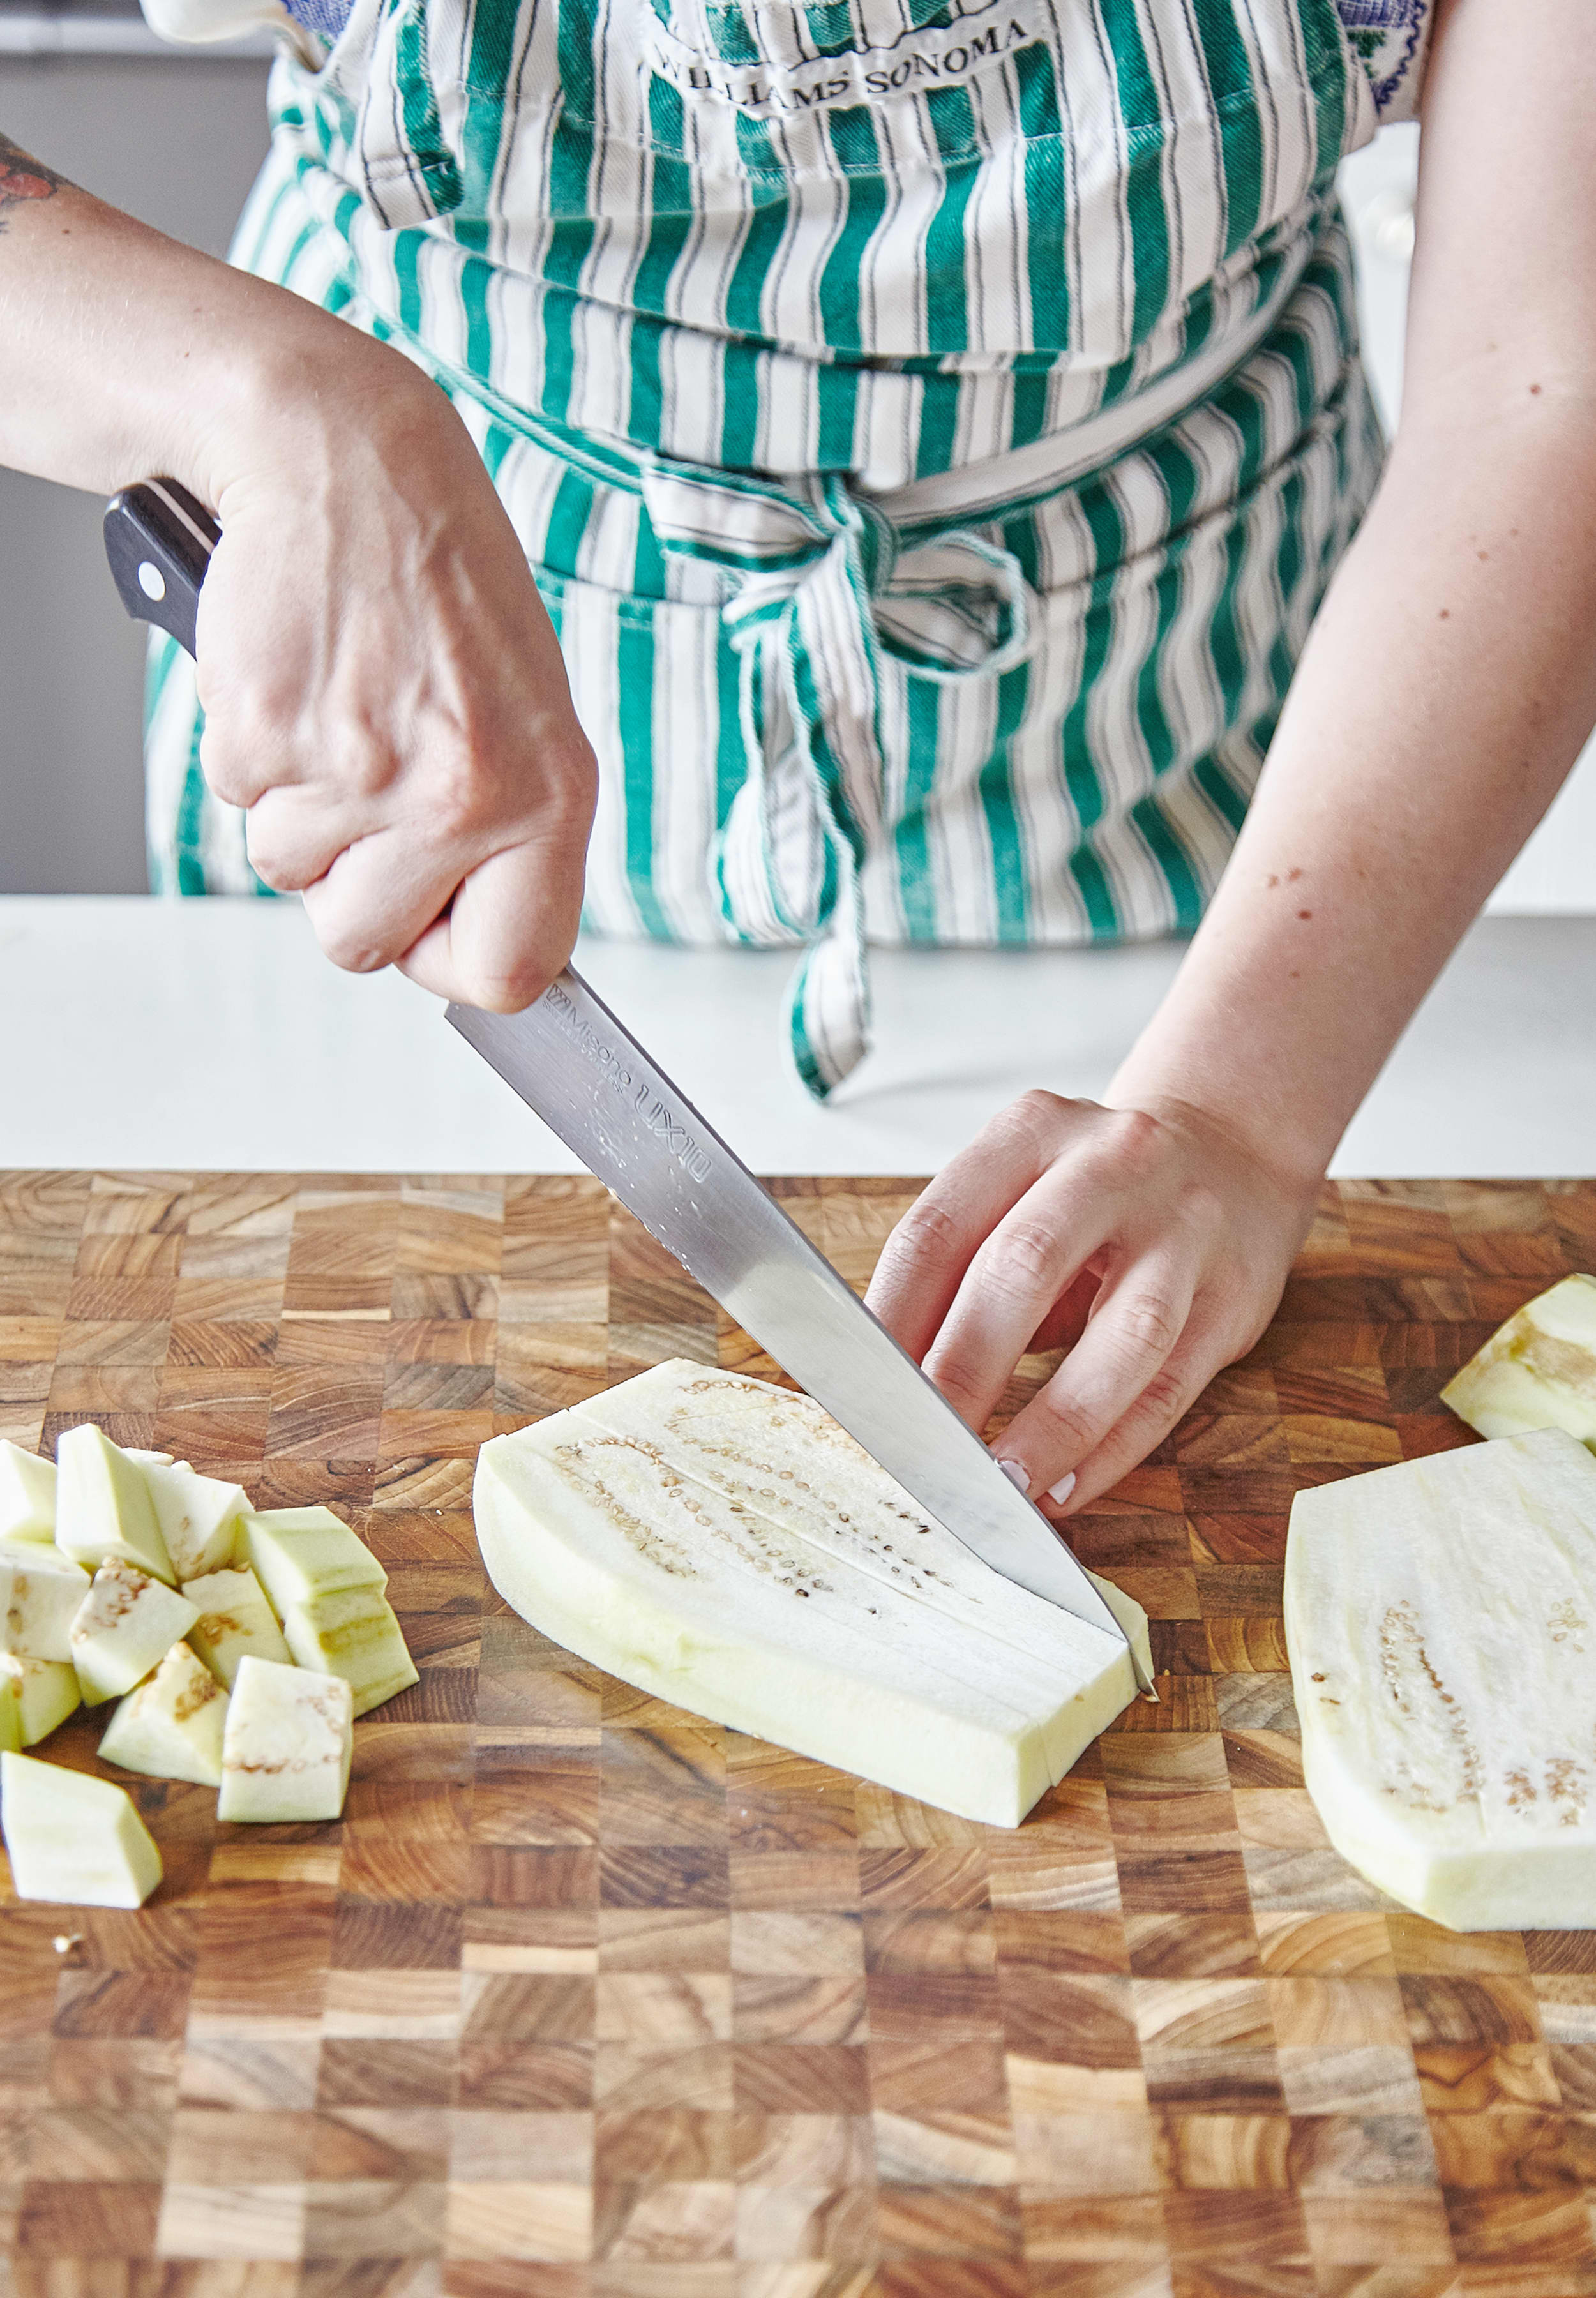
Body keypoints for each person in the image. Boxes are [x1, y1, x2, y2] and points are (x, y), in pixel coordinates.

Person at [1, 0, 1592, 1521]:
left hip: (1240, 797)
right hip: (397, 681)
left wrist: (1241, 1113)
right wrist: (275, 405)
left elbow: (1544, 386)